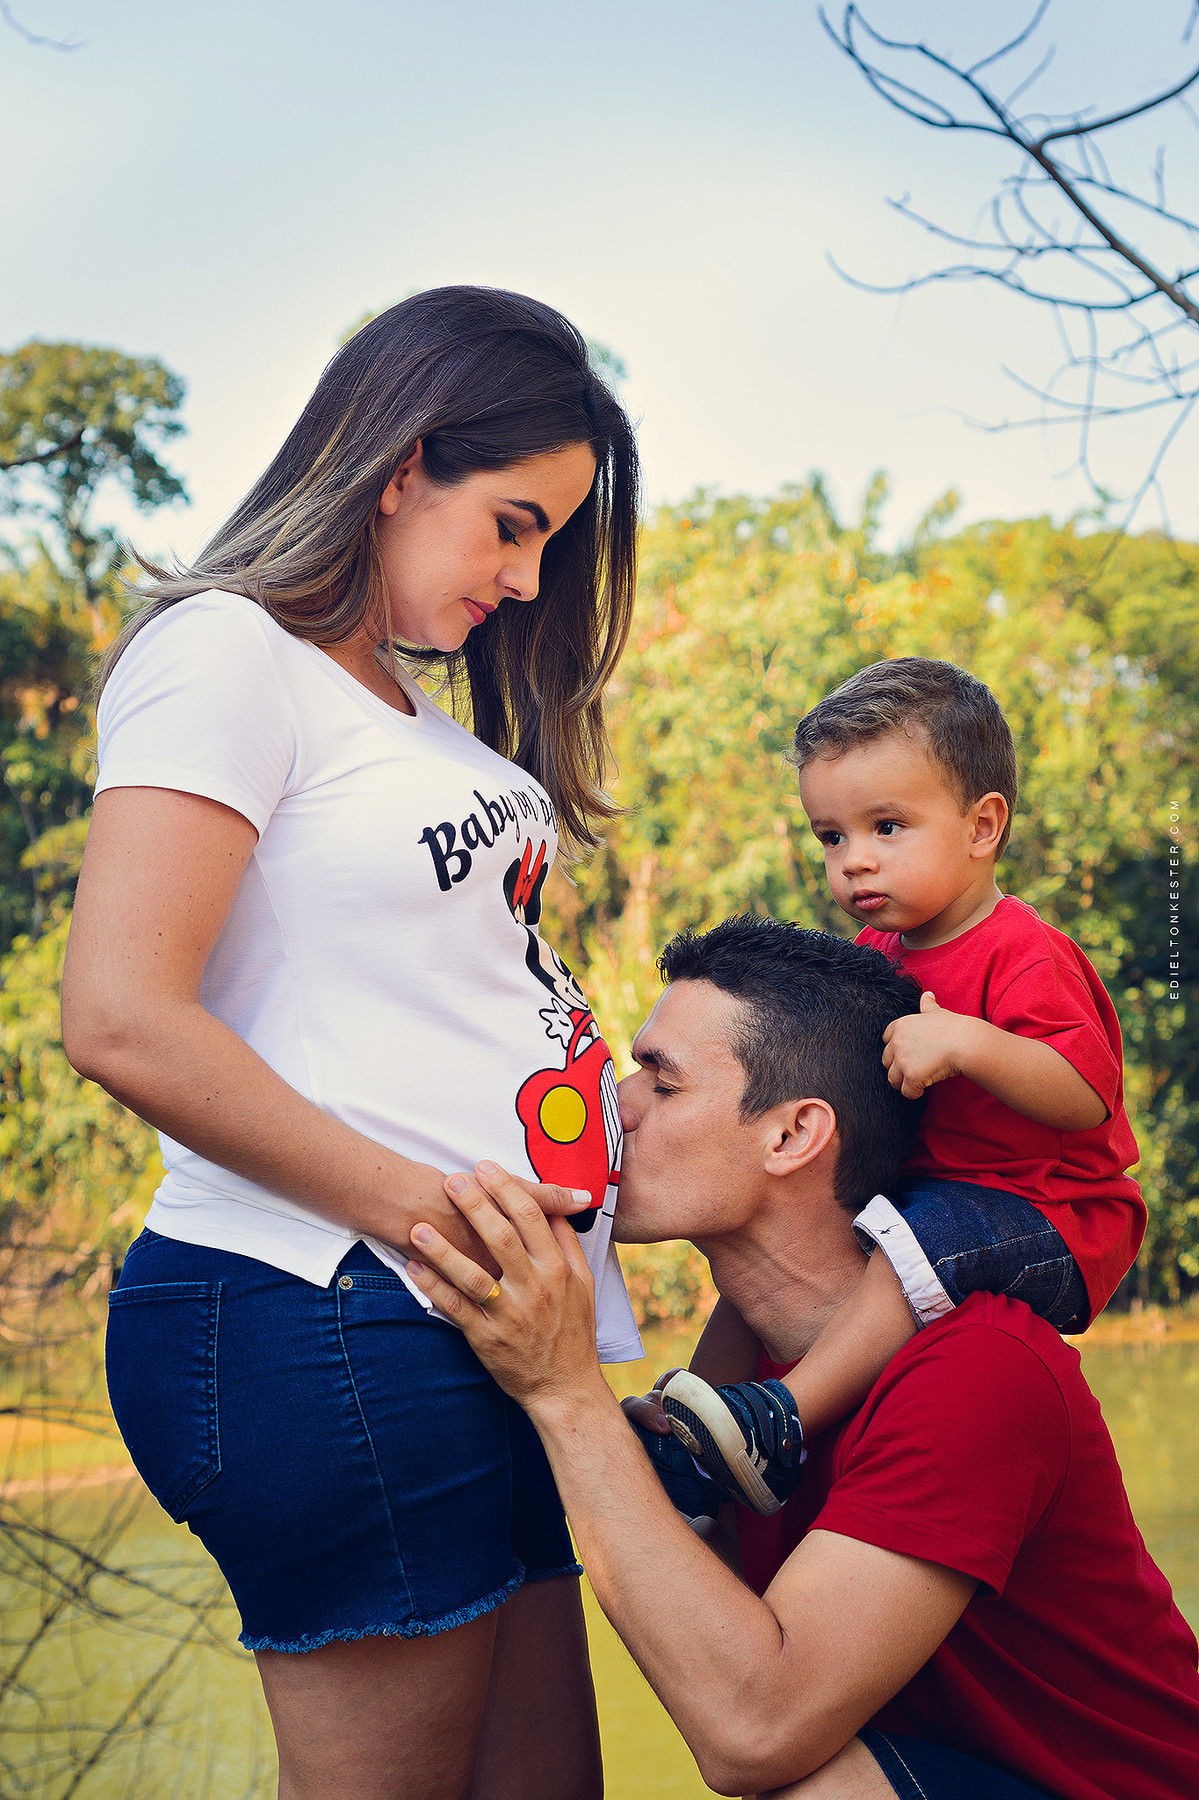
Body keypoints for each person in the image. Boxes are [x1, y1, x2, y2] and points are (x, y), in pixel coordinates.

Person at [60, 287, 644, 1800]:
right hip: (325, 1300)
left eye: (548, 543)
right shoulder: (225, 652)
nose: (527, 578)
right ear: (400, 466)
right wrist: (438, 1217)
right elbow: (121, 1015)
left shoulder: (406, 716)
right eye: (511, 525)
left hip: (473, 1320)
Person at [402, 918, 1199, 1800]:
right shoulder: (741, 1378)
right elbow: (720, 1648)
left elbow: (753, 1733)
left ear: (792, 1135)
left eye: (661, 1082)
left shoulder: (979, 1369)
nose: (615, 1106)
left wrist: (564, 1393)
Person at [658, 659, 1145, 1516]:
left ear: (981, 826)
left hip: (1048, 1214)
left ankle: (784, 1418)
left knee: (913, 1238)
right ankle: (694, 1439)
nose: (854, 861)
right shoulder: (878, 957)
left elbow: (1086, 1095)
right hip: (923, 1197)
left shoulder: (1022, 952)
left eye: (886, 827)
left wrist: (967, 1042)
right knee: (760, 1256)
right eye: (830, 837)